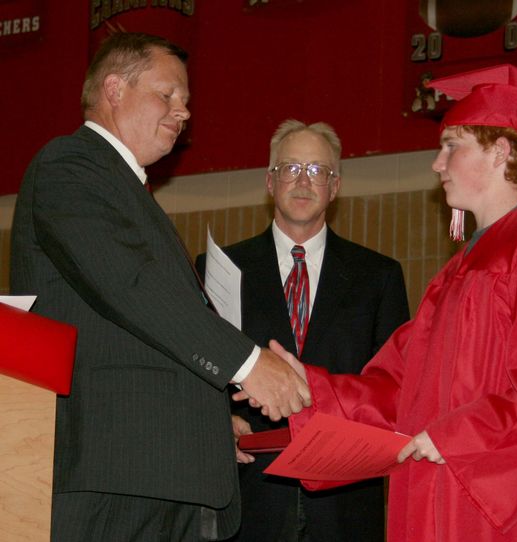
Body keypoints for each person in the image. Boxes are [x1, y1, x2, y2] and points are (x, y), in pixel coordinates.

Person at [263, 65, 517, 541]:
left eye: (453, 145)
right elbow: (398, 386)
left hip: (503, 513)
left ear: (501, 151)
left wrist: (455, 434)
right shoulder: (456, 274)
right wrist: (306, 385)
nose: (437, 163)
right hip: (443, 494)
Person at [10, 32, 309, 542]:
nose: (183, 111)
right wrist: (248, 364)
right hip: (114, 476)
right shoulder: (69, 163)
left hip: (156, 475)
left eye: (187, 102)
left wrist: (208, 428)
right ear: (114, 89)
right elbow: (130, 286)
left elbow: (147, 335)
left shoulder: (123, 188)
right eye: (168, 95)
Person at [196, 119, 410, 542]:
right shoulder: (218, 269)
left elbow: (398, 391)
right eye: (291, 168)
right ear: (269, 181)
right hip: (250, 497)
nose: (303, 181)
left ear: (335, 187)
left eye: (318, 171)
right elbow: (196, 375)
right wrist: (220, 423)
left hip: (345, 504)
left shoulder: (379, 276)